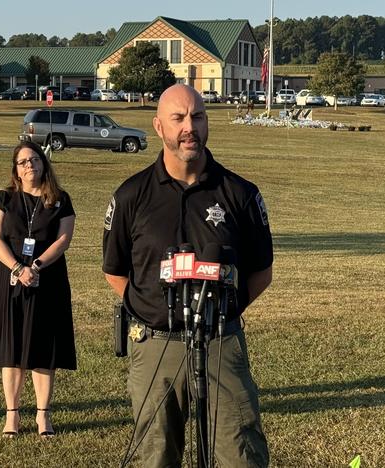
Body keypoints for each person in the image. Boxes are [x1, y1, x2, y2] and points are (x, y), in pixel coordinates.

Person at [102, 84, 273, 467]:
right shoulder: (132, 195)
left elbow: (261, 272)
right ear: (158, 126)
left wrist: (223, 311)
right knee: (156, 454)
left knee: (240, 452)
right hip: (156, 344)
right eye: (178, 118)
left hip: (220, 341)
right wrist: (154, 311)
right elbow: (115, 271)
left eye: (197, 116)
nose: (188, 127)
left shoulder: (240, 193)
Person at [0, 140, 76, 439]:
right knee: (12, 348)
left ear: (44, 164)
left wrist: (37, 267)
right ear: (16, 170)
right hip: (8, 279)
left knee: (43, 348)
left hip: (48, 278)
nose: (29, 165)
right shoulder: (3, 199)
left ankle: (43, 416)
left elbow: (63, 239)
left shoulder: (60, 200)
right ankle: (12, 416)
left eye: (34, 160)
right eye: (23, 162)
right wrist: (19, 269)